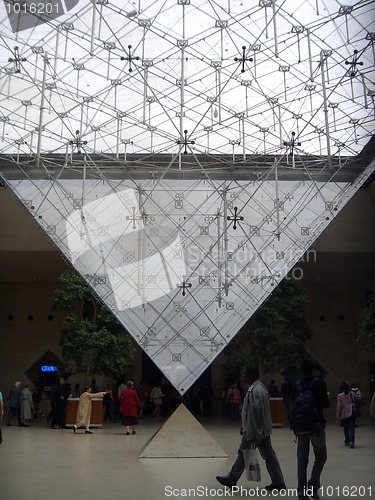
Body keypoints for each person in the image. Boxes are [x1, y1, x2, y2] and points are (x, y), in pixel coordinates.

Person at [216, 366, 286, 492]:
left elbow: (254, 414)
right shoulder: (261, 388)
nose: (243, 377)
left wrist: (249, 431)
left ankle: (231, 479)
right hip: (263, 430)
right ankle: (278, 481)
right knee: (269, 455)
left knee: (243, 452)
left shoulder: (253, 391)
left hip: (255, 430)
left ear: (251, 376)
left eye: (245, 375)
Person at [291, 359, 330, 500]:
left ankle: (301, 490)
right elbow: (326, 404)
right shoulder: (320, 384)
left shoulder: (297, 385)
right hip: (316, 426)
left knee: (302, 458)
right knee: (320, 456)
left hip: (300, 427)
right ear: (313, 370)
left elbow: (292, 403)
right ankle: (313, 486)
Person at [336, 381, 361, 448]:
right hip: (352, 413)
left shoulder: (340, 396)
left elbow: (339, 407)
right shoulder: (352, 394)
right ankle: (352, 441)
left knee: (345, 428)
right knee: (351, 427)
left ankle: (347, 440)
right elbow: (359, 398)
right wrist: (358, 391)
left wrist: (338, 415)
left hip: (343, 415)